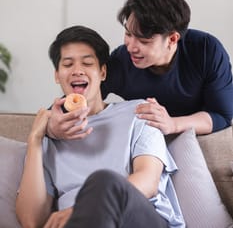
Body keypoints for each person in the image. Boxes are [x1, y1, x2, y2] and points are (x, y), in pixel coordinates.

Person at [16, 25, 185, 228]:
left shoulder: (139, 113)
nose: (77, 70)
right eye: (68, 64)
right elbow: (31, 221)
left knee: (104, 181)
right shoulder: (48, 135)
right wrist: (35, 139)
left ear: (103, 72)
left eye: (87, 63)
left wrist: (81, 209)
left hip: (137, 218)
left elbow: (148, 182)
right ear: (57, 75)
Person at [47, 0, 233, 140]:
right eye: (128, 34)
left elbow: (221, 115)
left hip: (195, 138)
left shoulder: (206, 50)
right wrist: (52, 126)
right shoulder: (121, 61)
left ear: (172, 39)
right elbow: (80, 102)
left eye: (144, 41)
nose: (131, 47)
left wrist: (173, 124)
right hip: (144, 141)